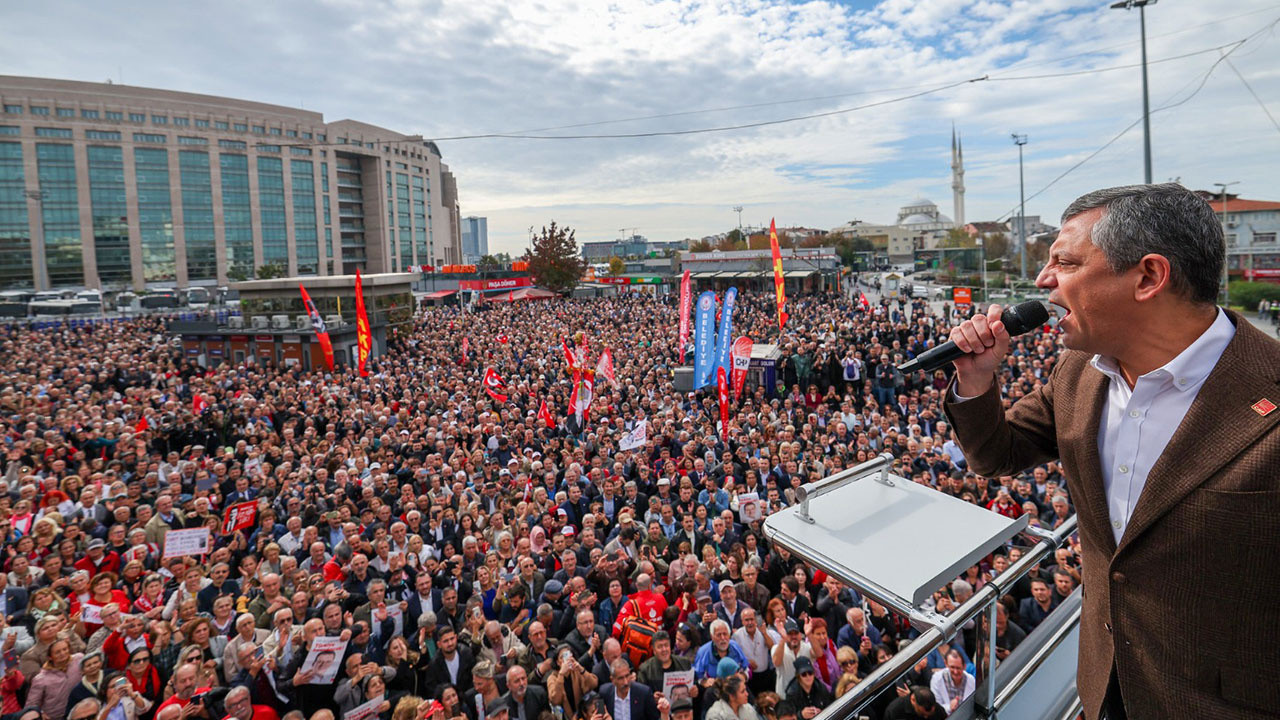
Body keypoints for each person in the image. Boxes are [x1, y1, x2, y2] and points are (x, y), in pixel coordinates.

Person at [945, 184, 1280, 720]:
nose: (1043, 281)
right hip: (1104, 684)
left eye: (1065, 262)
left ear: (1148, 277)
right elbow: (996, 455)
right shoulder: (1079, 372)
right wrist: (976, 379)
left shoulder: (1269, 393)